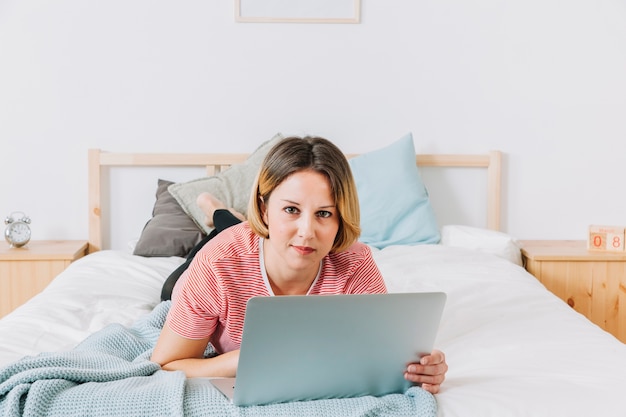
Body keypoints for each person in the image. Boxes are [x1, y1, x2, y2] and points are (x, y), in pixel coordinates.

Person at [151, 136, 448, 394]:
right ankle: (214, 209)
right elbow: (165, 365)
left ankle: (226, 214)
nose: (307, 231)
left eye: (324, 214)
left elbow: (384, 357)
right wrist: (239, 361)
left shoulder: (356, 263)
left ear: (341, 217)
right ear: (265, 209)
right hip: (224, 248)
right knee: (180, 276)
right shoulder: (217, 263)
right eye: (291, 209)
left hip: (263, 236)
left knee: (244, 228)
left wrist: (421, 367)